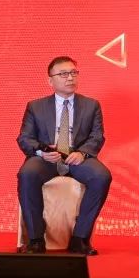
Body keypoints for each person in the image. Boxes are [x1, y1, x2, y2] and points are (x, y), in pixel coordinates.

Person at [16, 56, 112, 256]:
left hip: (77, 158)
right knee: (27, 174)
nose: (70, 78)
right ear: (50, 80)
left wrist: (82, 153)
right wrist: (42, 152)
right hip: (46, 158)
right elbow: (24, 138)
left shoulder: (91, 105)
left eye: (73, 73)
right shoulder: (36, 106)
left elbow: (97, 136)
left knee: (101, 176)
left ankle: (80, 238)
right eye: (63, 74)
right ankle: (35, 240)